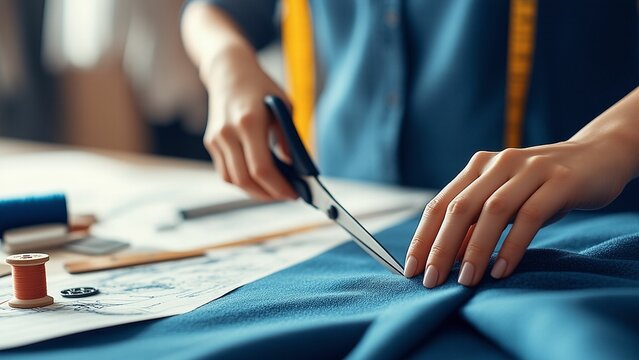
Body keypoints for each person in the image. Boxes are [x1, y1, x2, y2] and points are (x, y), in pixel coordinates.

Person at [181, 0, 639, 288]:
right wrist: (226, 63)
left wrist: (612, 142)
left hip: (567, 234)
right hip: (347, 221)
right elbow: (211, 10)